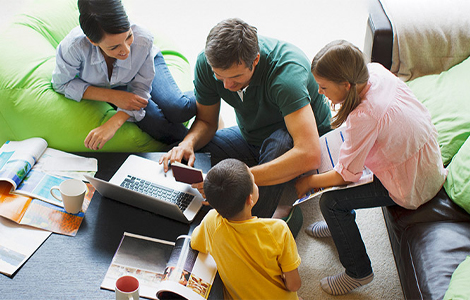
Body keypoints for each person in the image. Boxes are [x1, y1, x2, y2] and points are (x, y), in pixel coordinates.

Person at [295, 40, 447, 295]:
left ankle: (358, 272)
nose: (320, 93)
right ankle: (338, 228)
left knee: (330, 203)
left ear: (346, 85)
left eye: (323, 87)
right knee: (341, 168)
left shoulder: (364, 116)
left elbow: (346, 175)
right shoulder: (375, 71)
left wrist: (308, 182)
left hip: (411, 186)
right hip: (426, 164)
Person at [160, 18, 332, 222]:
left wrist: (238, 180)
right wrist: (188, 143)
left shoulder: (286, 75)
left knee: (278, 144)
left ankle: (261, 221)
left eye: (236, 77)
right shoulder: (206, 64)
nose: (226, 85)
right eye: (219, 76)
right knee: (181, 158)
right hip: (252, 137)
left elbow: (309, 154)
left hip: (296, 146)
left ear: (256, 60)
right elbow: (207, 122)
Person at [52, 0, 196, 150]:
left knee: (178, 109)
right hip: (112, 86)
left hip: (144, 64)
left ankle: (210, 90)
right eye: (114, 47)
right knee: (154, 122)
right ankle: (197, 144)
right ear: (92, 41)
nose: (126, 50)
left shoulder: (142, 40)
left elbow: (141, 89)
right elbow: (61, 83)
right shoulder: (73, 47)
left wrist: (114, 122)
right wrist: (111, 96)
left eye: (128, 37)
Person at [191, 158, 302, 300]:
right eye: (254, 182)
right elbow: (294, 285)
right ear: (250, 199)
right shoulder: (278, 230)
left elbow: (195, 242)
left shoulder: (211, 222)